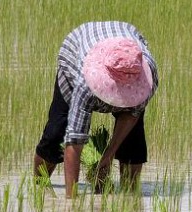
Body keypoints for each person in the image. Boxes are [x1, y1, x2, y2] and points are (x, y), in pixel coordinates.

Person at [33, 21, 159, 198]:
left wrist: (107, 156)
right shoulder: (84, 83)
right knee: (58, 131)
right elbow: (74, 141)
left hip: (124, 42)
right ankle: (39, 186)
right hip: (76, 52)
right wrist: (72, 201)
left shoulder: (147, 78)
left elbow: (131, 115)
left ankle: (129, 196)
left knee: (133, 138)